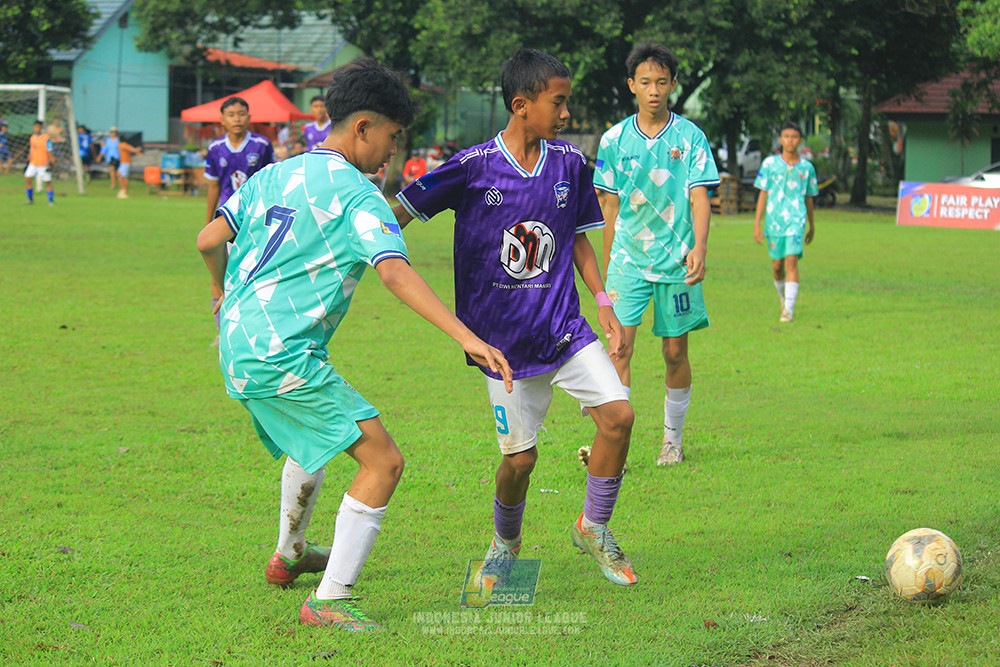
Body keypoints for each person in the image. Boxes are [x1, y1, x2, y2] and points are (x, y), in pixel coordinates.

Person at [197, 57, 513, 631]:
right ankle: (331, 599)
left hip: (238, 344)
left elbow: (207, 238)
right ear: (363, 127)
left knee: (314, 436)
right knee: (383, 461)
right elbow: (393, 272)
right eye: (392, 136)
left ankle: (291, 552)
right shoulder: (358, 194)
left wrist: (220, 290)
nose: (392, 151)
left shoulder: (274, 173)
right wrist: (469, 337)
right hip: (281, 355)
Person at [394, 49, 637, 591]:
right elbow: (399, 213)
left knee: (619, 416)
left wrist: (602, 299)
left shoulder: (570, 163)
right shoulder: (473, 165)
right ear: (522, 104)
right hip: (502, 346)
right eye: (558, 102)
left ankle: (593, 526)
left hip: (563, 328)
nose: (566, 113)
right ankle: (505, 546)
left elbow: (576, 239)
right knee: (521, 462)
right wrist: (362, 243)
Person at [592, 42, 720, 467]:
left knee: (675, 353)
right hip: (627, 262)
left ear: (673, 85)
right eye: (645, 82)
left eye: (661, 82)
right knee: (619, 350)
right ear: (632, 85)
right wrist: (608, 271)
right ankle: (615, 447)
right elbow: (608, 208)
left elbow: (700, 197)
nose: (653, 90)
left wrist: (700, 247)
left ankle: (672, 441)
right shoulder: (613, 140)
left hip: (678, 263)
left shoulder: (690, 137)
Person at [203, 97, 275, 334]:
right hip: (226, 219)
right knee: (219, 275)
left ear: (249, 117)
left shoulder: (261, 145)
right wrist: (209, 221)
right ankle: (221, 332)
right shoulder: (215, 148)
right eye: (231, 114)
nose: (237, 119)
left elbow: (270, 181)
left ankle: (255, 328)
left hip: (255, 218)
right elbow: (214, 185)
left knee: (256, 271)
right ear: (222, 120)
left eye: (241, 114)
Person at [753, 121, 818, 322]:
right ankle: (783, 297)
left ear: (800, 140)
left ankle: (788, 309)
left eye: (794, 137)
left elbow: (809, 197)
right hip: (774, 221)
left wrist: (812, 225)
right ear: (781, 139)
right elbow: (763, 193)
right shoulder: (769, 164)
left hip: (796, 220)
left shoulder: (807, 168)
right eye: (787, 136)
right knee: (777, 265)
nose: (790, 140)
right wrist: (757, 223)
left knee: (791, 261)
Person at [24, 120, 55, 205]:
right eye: (35, 127)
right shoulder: (32, 138)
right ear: (33, 128)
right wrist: (29, 157)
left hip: (43, 163)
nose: (37, 129)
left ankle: (51, 201)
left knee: (47, 182)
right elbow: (32, 148)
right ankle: (30, 200)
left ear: (41, 128)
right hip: (33, 162)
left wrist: (50, 161)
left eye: (39, 127)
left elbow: (49, 149)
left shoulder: (46, 137)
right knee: (27, 178)